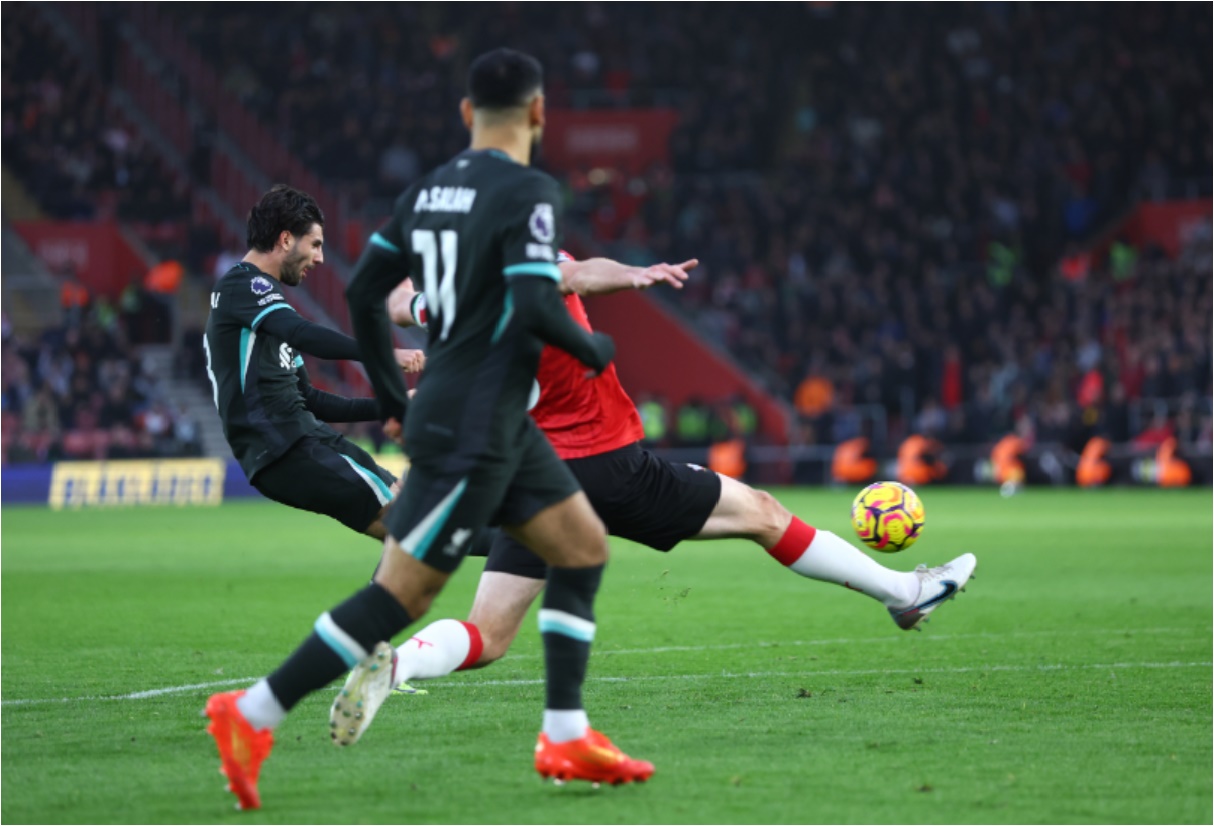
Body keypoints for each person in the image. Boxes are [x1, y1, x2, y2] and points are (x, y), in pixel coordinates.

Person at [203, 49, 652, 811]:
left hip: (474, 412)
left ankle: (566, 734)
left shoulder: (424, 196)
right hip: (476, 416)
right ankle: (251, 714)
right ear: (538, 115)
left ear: (465, 115)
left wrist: (390, 386)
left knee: (579, 544)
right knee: (405, 591)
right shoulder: (528, 192)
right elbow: (539, 300)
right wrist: (588, 346)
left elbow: (369, 295)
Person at [380, 250, 978, 694]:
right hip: (605, 467)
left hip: (532, 483)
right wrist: (635, 275)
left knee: (487, 636)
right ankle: (905, 594)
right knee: (762, 512)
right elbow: (578, 272)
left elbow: (398, 303)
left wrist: (419, 279)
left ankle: (398, 663)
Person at [201, 184, 424, 541]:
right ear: (286, 239)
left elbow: (311, 399)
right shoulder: (243, 287)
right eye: (316, 244)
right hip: (283, 447)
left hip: (303, 439)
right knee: (418, 522)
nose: (320, 258)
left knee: (412, 529)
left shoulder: (266, 311)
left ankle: (525, 556)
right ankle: (527, 552)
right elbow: (303, 333)